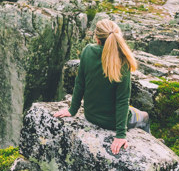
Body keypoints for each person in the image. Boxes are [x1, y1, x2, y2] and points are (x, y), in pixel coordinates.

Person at [53, 19, 151, 154]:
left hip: (90, 115)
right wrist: (120, 135)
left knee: (132, 109)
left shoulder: (88, 51)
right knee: (144, 116)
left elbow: (80, 83)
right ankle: (147, 146)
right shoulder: (123, 63)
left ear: (97, 38)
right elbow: (122, 101)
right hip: (111, 123)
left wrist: (73, 109)